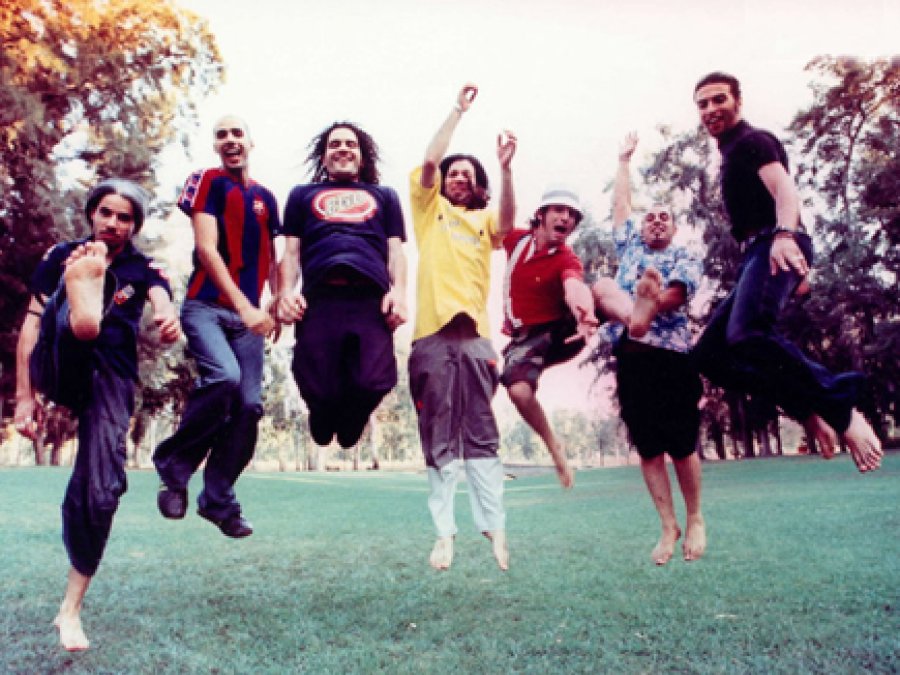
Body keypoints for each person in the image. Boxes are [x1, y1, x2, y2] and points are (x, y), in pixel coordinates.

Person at [14, 178, 181, 651]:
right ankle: (78, 304)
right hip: (60, 362)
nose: (113, 222)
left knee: (102, 490)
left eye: (124, 217)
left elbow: (160, 295)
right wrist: (24, 397)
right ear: (92, 213)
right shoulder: (59, 254)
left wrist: (167, 315)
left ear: (134, 226)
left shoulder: (143, 267)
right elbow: (29, 328)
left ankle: (70, 610)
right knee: (60, 313)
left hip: (110, 377)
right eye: (105, 212)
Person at [691, 72, 882, 473]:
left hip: (773, 241)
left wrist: (784, 236)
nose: (711, 109)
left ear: (738, 101)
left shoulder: (753, 141)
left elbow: (784, 190)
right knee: (710, 355)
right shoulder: (731, 153)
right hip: (757, 252)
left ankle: (840, 406)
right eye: (703, 104)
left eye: (719, 99)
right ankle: (806, 409)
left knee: (748, 332)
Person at [153, 115, 281, 537]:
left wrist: (277, 302)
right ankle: (174, 471)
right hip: (206, 307)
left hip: (248, 321)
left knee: (249, 405)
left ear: (251, 142)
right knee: (224, 377)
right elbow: (207, 249)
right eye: (221, 134)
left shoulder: (266, 198)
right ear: (215, 145)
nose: (230, 140)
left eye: (237, 132)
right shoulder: (206, 180)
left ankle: (218, 500)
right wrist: (246, 306)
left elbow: (273, 258)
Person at [408, 83, 516, 572]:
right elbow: (430, 161)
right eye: (454, 173)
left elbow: (507, 221)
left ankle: (495, 527)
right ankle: (444, 533)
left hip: (475, 340)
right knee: (438, 433)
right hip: (431, 337)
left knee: (481, 432)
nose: (457, 178)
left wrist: (506, 168)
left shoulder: (483, 222)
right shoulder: (430, 211)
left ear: (477, 187)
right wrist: (457, 111)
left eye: (467, 176)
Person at [594, 132, 705, 565]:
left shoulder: (684, 256)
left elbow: (679, 294)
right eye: (651, 218)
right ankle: (667, 525)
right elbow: (621, 206)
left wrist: (655, 302)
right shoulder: (631, 247)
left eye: (664, 218)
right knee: (648, 447)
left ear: (674, 229)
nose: (656, 222)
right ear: (641, 229)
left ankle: (694, 518)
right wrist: (623, 161)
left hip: (671, 356)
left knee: (681, 445)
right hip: (632, 355)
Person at [277, 122, 407, 449]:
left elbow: (395, 252)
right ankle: (320, 412)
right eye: (335, 144)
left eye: (351, 144)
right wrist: (285, 293)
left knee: (373, 380)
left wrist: (400, 292)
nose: (343, 149)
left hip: (370, 299)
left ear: (362, 157)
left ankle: (354, 418)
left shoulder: (385, 196)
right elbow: (290, 252)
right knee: (319, 385)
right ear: (324, 157)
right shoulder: (301, 195)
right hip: (321, 297)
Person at [500, 185, 598, 489]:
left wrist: (584, 314)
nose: (566, 218)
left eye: (572, 215)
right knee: (518, 391)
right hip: (526, 338)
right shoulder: (517, 241)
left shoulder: (567, 258)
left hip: (563, 331)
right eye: (559, 210)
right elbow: (503, 219)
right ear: (541, 215)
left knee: (603, 289)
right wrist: (506, 172)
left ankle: (635, 320)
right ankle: (555, 448)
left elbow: (574, 286)